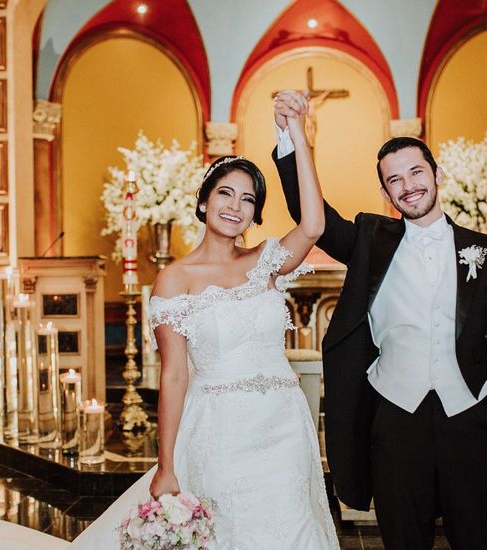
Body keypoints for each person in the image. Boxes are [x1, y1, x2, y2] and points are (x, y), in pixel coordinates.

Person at [273, 90, 487, 550]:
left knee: (482, 538)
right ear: (385, 193)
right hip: (394, 421)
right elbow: (313, 218)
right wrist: (292, 139)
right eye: (395, 180)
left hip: (467, 419)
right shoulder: (370, 238)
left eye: (415, 172)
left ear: (437, 174)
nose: (408, 185)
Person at [71, 96, 338, 549]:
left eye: (248, 199)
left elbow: (313, 224)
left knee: (291, 530)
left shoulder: (266, 261)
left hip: (284, 426)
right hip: (220, 430)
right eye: (226, 193)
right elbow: (175, 375)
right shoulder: (174, 280)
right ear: (204, 201)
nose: (236, 206)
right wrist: (166, 464)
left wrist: (297, 133)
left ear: (255, 214)